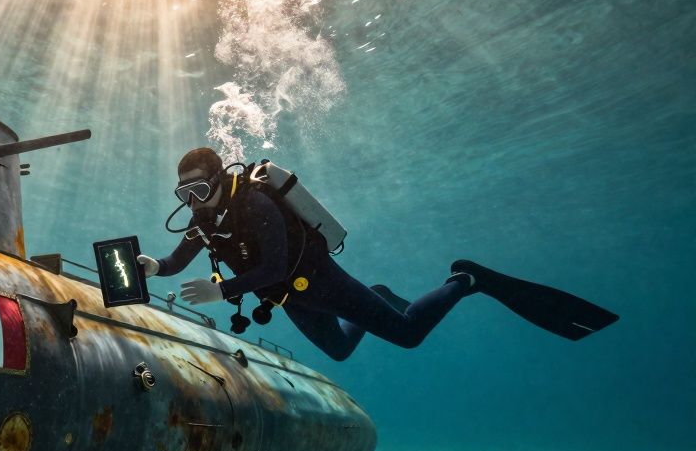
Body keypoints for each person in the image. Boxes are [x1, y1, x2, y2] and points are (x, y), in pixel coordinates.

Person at [137, 147, 617, 361]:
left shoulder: (257, 203)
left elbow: (275, 265)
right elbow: (179, 261)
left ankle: (464, 280)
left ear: (219, 179)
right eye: (185, 195)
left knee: (408, 336)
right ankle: (380, 294)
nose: (194, 202)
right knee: (342, 351)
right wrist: (155, 266)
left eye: (200, 189)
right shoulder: (204, 219)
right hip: (290, 301)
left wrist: (224, 291)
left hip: (317, 281)